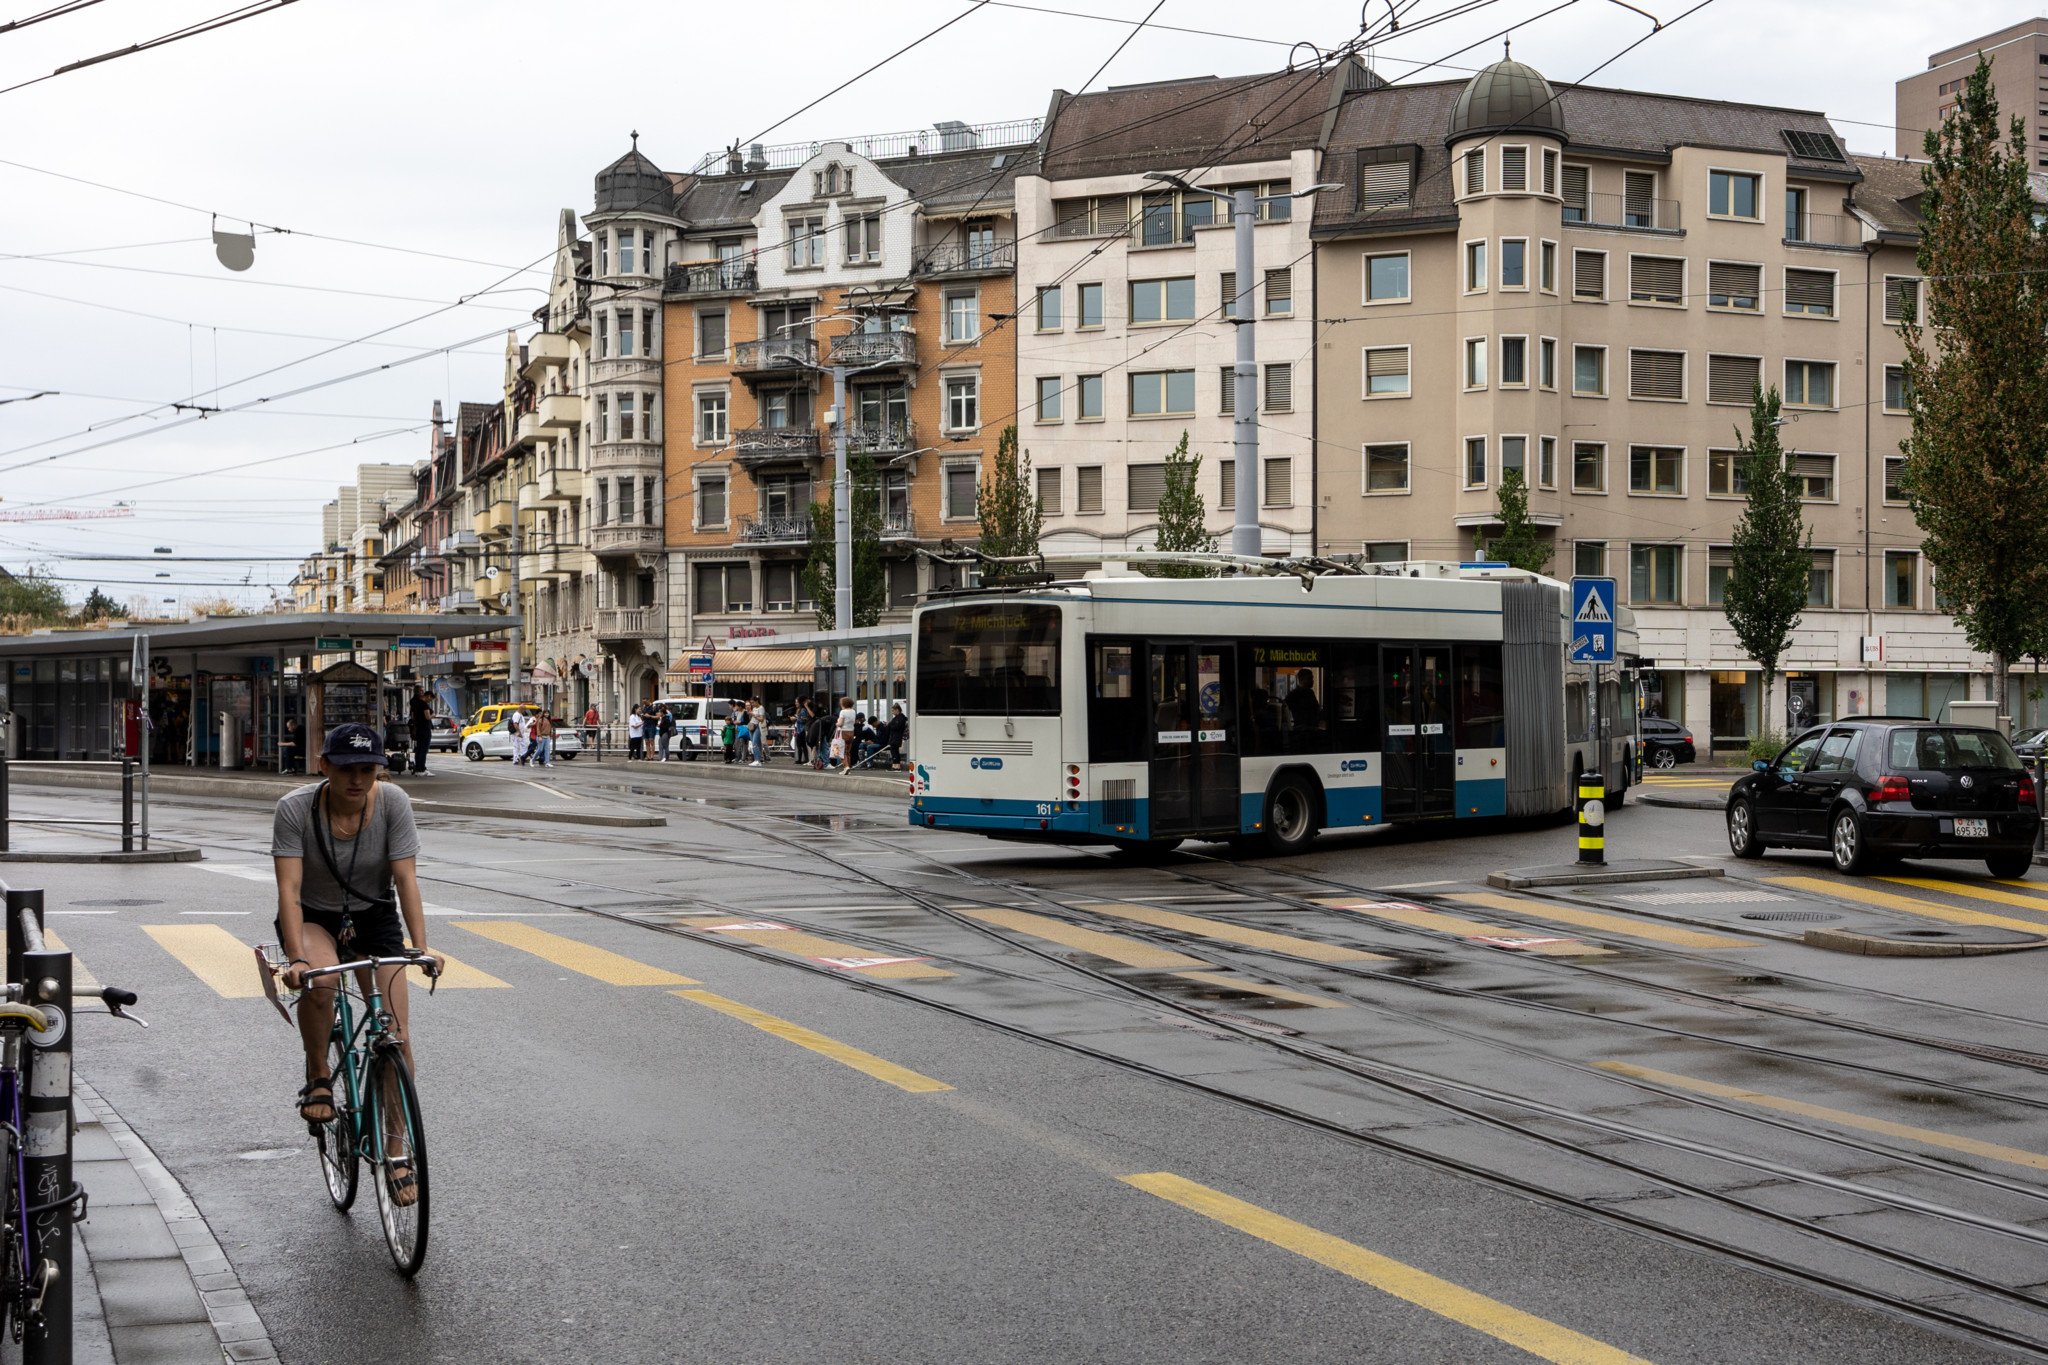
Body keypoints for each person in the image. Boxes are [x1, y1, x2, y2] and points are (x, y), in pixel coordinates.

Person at [274, 723, 445, 1206]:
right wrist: (298, 958)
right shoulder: (294, 809)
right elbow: (288, 889)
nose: (357, 779)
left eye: (367, 769)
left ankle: (396, 1149)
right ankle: (318, 1076)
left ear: (379, 770)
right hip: (314, 917)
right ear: (323, 765)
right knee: (322, 981)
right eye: (346, 769)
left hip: (374, 915)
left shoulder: (393, 803)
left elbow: (406, 879)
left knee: (397, 1034)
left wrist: (421, 945)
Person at [408, 688, 432, 775]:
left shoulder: (414, 703)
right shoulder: (423, 704)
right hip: (424, 728)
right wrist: (433, 715)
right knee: (423, 749)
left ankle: (419, 767)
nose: (423, 692)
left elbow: (412, 716)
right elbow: (428, 717)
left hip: (417, 728)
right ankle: (421, 768)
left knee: (419, 748)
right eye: (421, 691)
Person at [882, 703, 909, 768]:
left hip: (895, 737)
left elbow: (895, 727)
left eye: (893, 711)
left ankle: (895, 766)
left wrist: (889, 725)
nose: (892, 712)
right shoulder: (900, 718)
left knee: (894, 752)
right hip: (896, 737)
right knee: (895, 751)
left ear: (897, 710)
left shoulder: (899, 718)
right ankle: (896, 766)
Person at [835, 695, 857, 776]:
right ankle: (848, 767)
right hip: (851, 732)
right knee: (848, 751)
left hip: (843, 732)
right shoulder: (853, 711)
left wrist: (837, 723)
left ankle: (846, 766)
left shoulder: (842, 712)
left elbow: (840, 723)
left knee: (841, 751)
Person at [749, 699, 768, 766]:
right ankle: (755, 759)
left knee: (755, 743)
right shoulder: (754, 708)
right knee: (753, 743)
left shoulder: (761, 708)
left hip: (757, 726)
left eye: (753, 702)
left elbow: (761, 719)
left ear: (757, 701)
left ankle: (758, 760)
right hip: (752, 725)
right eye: (751, 703)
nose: (752, 704)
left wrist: (754, 715)